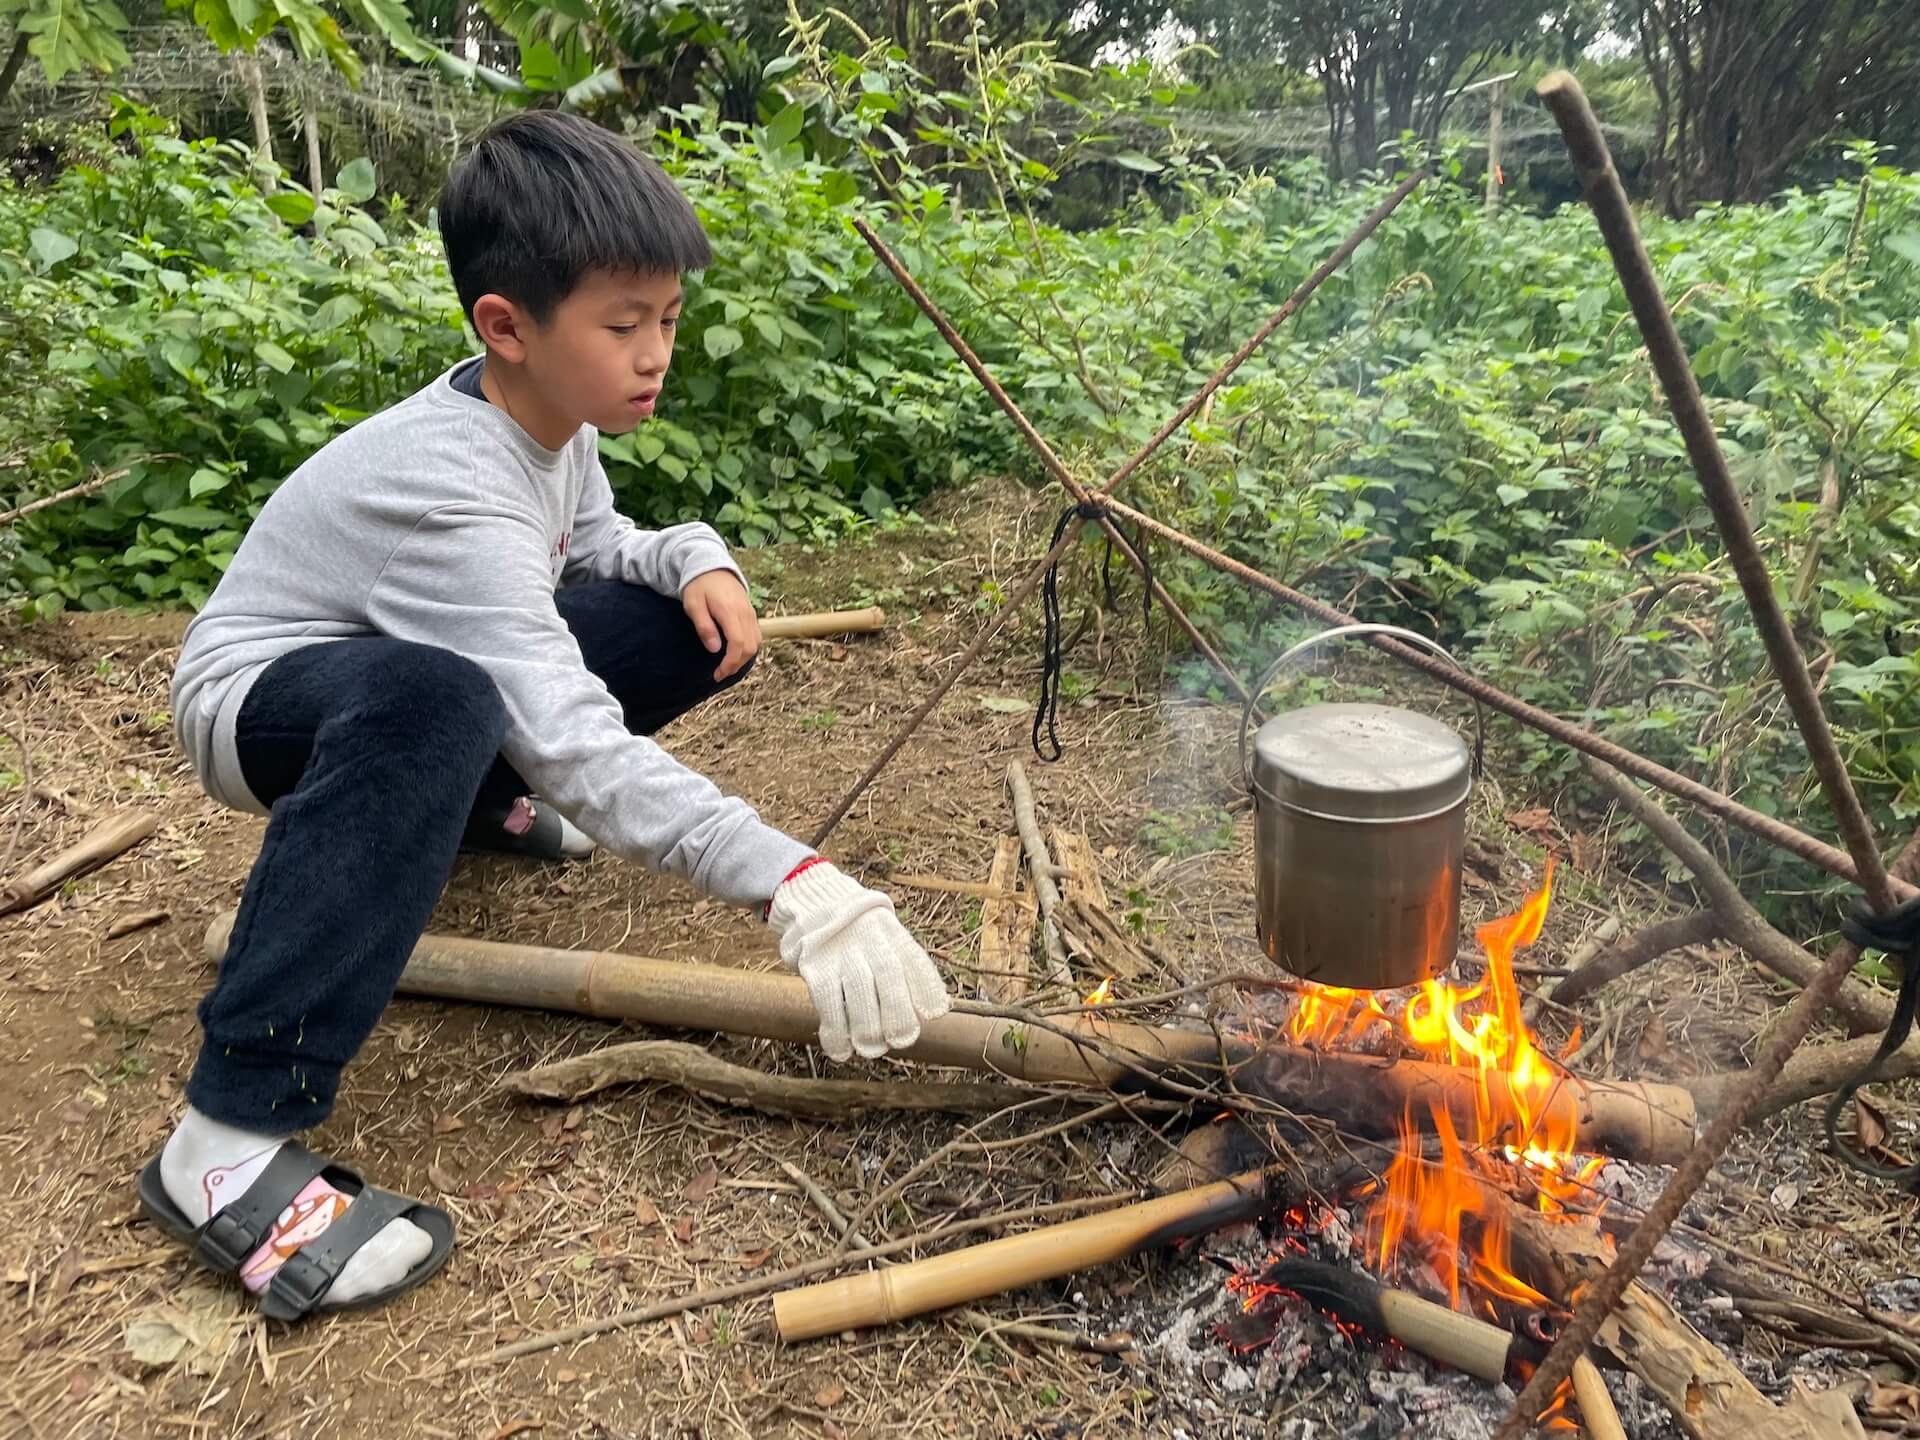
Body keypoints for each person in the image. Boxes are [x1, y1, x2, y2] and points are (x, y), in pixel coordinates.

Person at [142, 110, 951, 1322]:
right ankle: (225, 1139)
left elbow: (602, 550)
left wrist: (697, 556)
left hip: (394, 672)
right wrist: (794, 878)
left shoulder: (550, 426)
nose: (655, 355)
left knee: (678, 621)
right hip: (264, 701)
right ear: (505, 327)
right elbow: (570, 729)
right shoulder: (452, 486)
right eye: (623, 327)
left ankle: (477, 809)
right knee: (443, 696)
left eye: (667, 320)